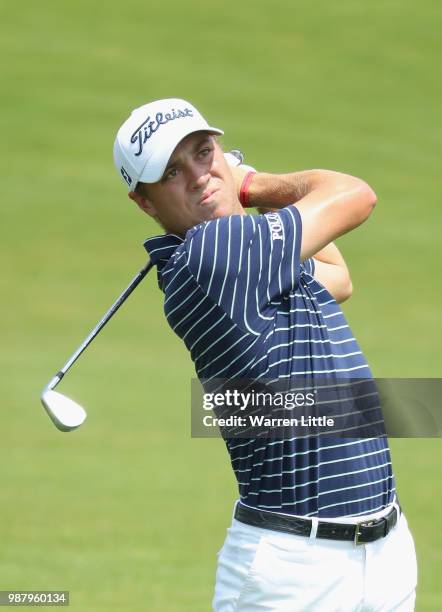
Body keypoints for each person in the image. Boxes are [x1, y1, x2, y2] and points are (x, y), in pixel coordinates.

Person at [113, 98, 417, 611]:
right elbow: (355, 196)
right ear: (144, 203)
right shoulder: (215, 253)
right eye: (170, 173)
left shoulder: (248, 257)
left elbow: (337, 280)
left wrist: (236, 190)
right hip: (295, 569)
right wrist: (251, 183)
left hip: (383, 552)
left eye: (205, 153)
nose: (199, 176)